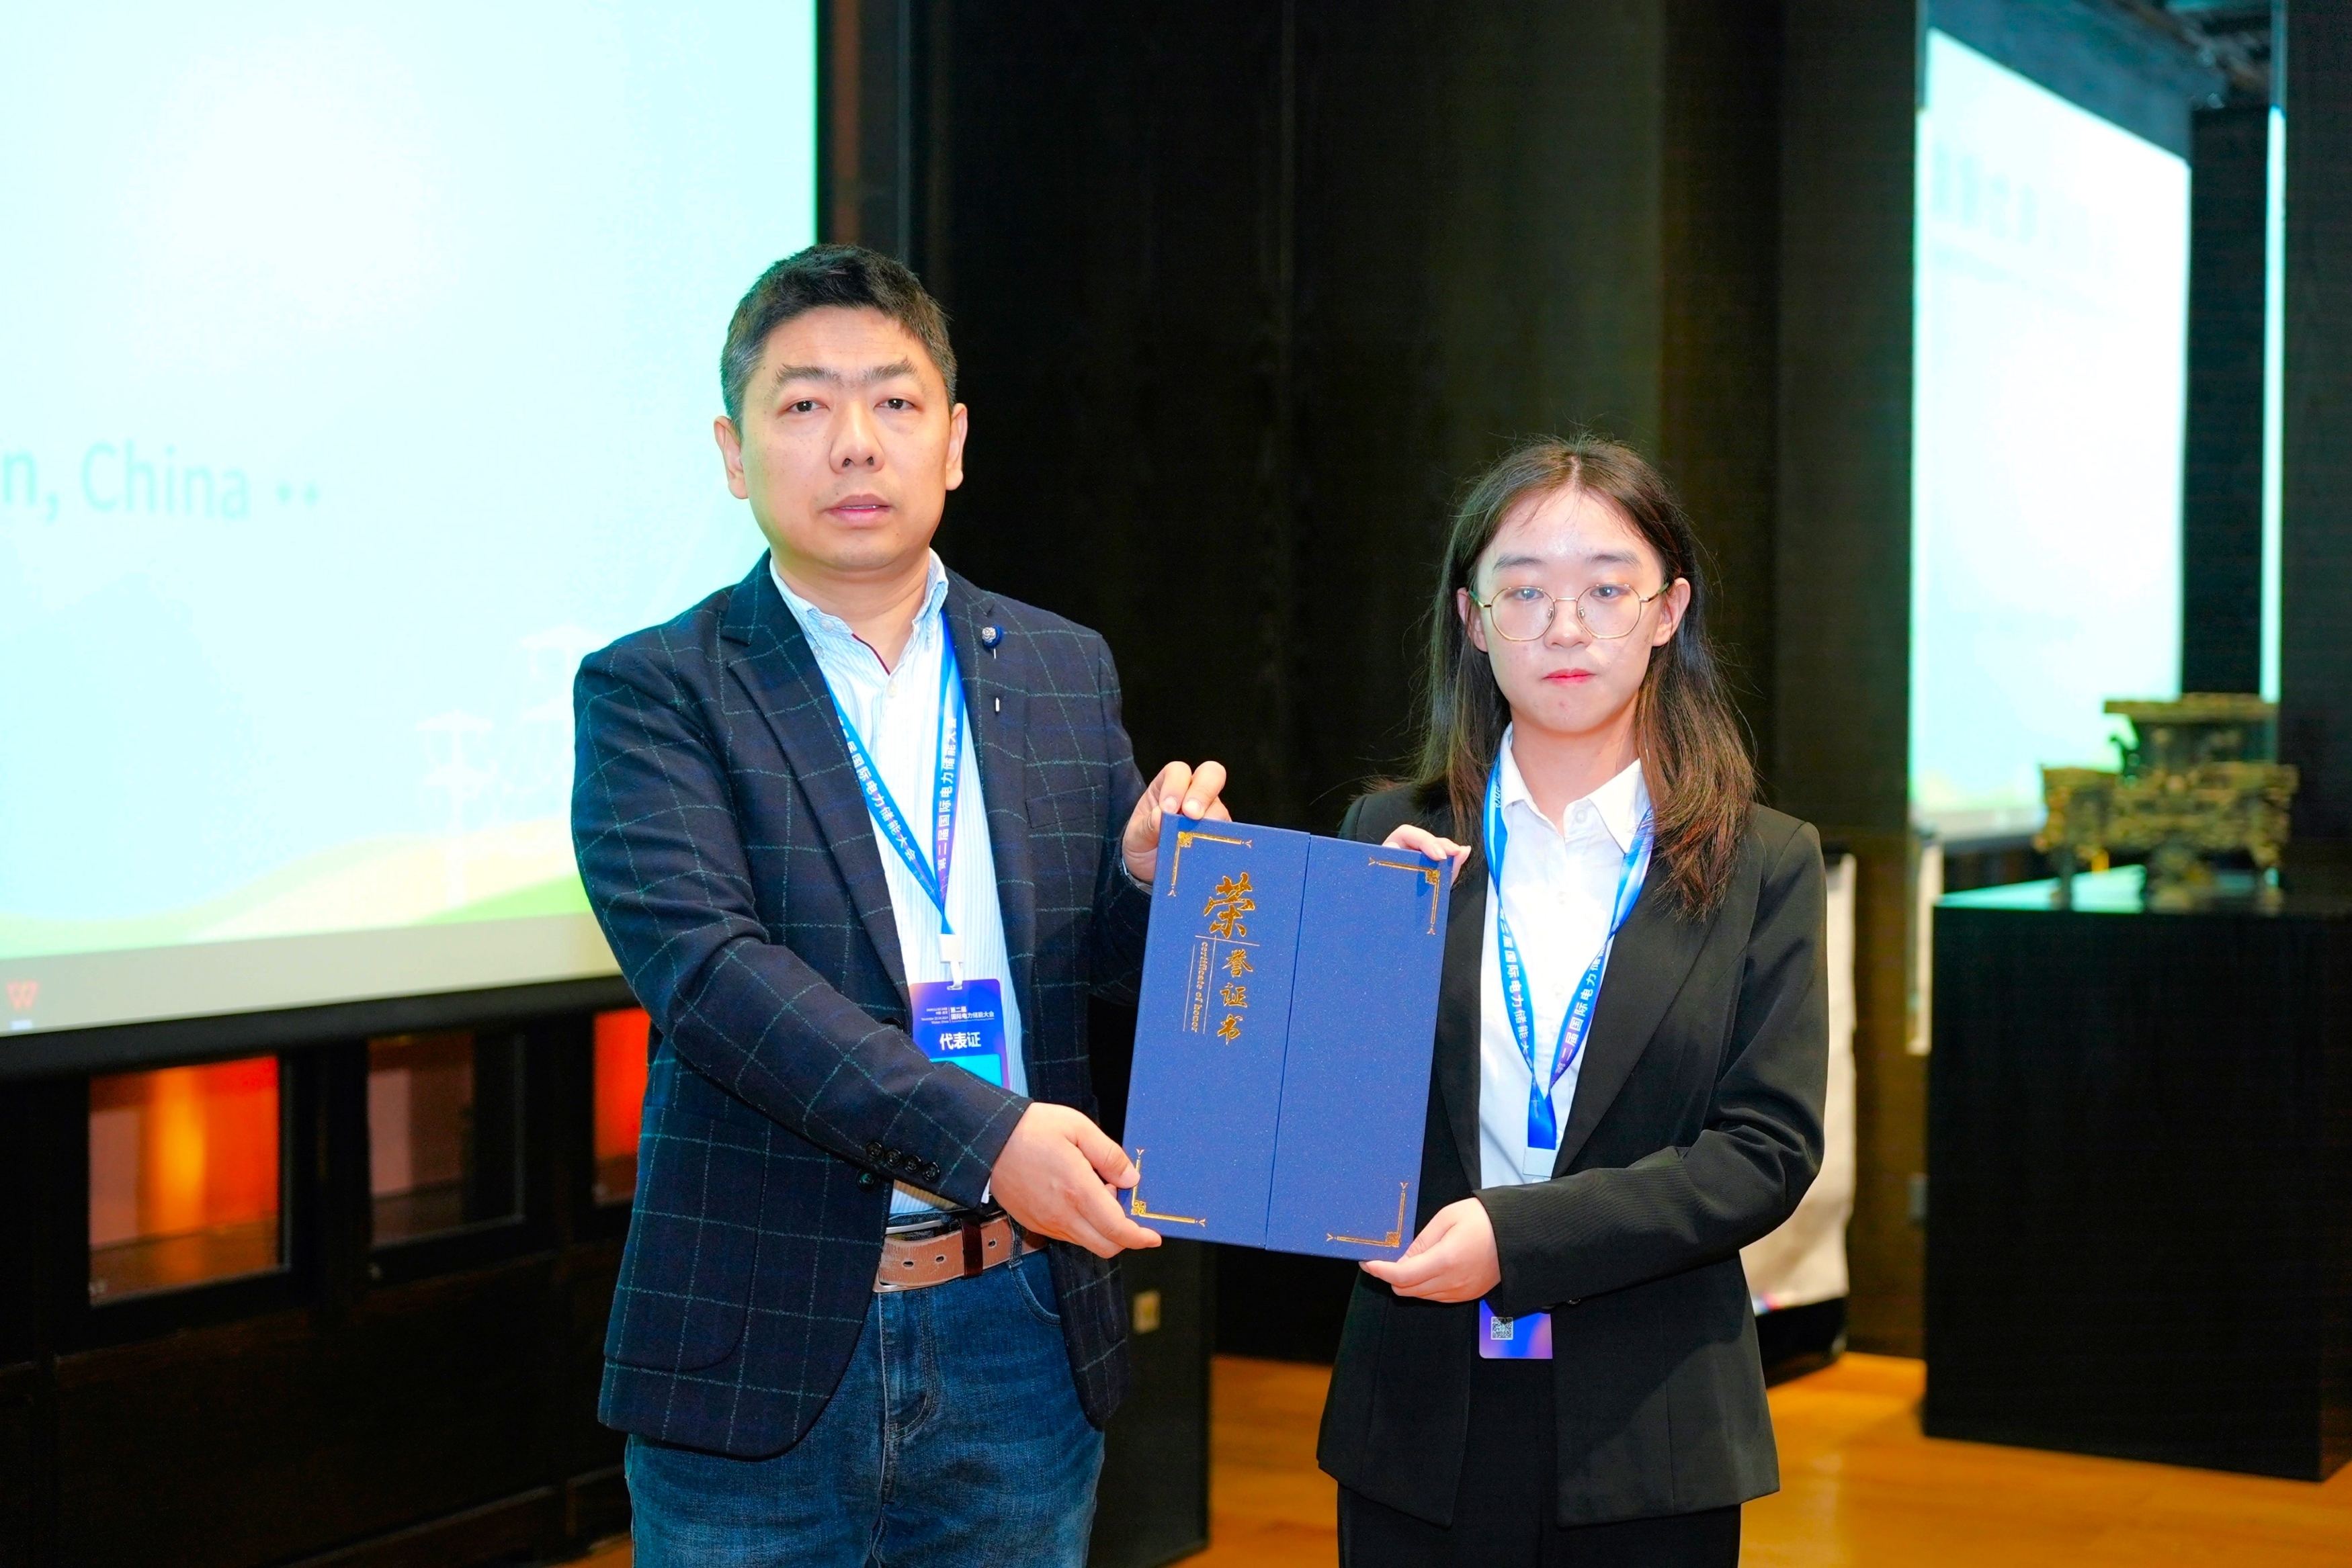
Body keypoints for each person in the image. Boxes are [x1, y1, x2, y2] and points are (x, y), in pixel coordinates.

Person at [571, 243, 1227, 1566]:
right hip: (760, 1338)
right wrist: (989, 1138)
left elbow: (1091, 968)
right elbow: (713, 983)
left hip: (1018, 1328)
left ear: (956, 440)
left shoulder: (1061, 666)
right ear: (733, 451)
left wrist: (1148, 883)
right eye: (805, 404)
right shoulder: (657, 690)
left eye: (894, 400)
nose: (855, 441)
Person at [1316, 436, 1827, 1567]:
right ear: (1471, 618)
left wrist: (1517, 1236)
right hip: (1419, 1416)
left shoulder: (1763, 861)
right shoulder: (1389, 839)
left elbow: (1766, 1149)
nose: (1563, 626)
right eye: (1524, 591)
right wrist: (1350, 953)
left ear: (1667, 611)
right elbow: (1322, 1136)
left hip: (1655, 1427)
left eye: (1605, 589)